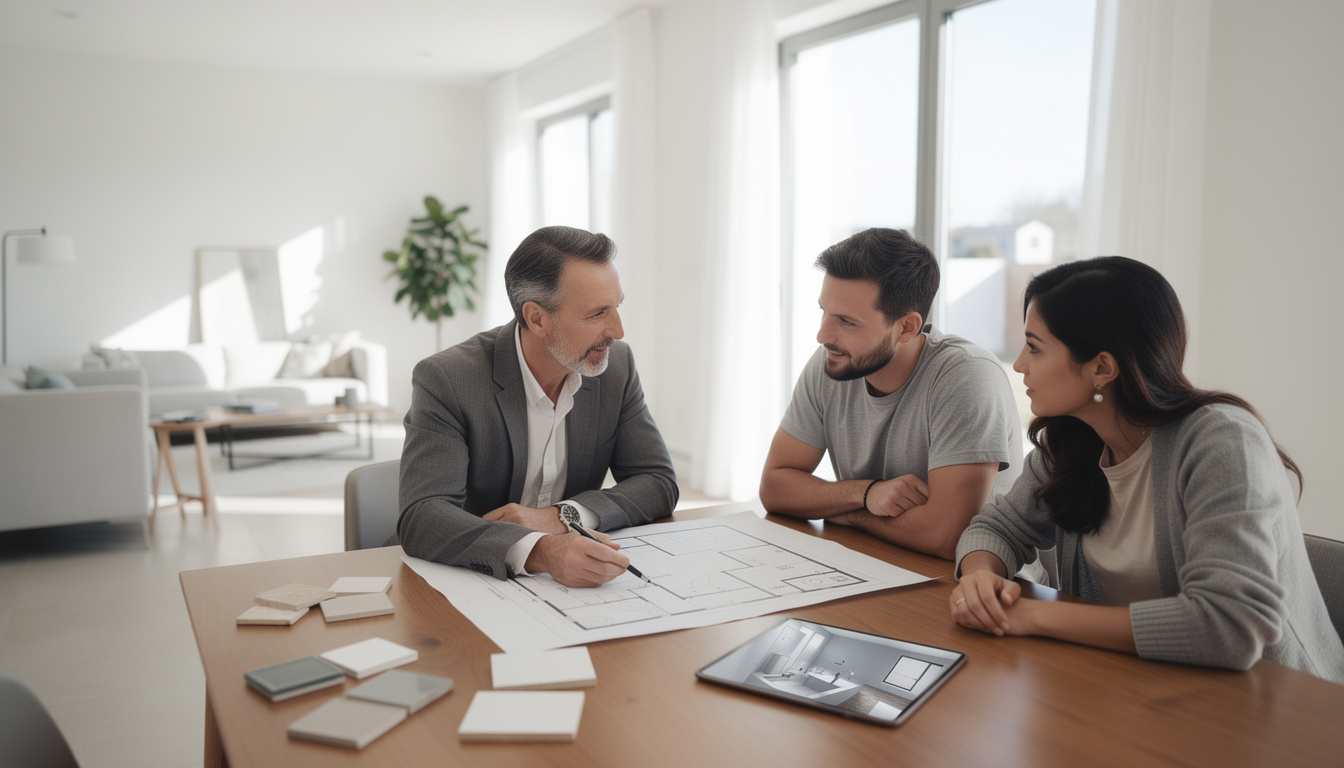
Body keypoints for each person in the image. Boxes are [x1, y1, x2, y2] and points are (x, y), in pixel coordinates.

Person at [952, 256, 1344, 681]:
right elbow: (996, 528)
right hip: (1142, 685)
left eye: (1035, 347)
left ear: (1102, 368)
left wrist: (1031, 617)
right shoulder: (1070, 442)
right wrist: (978, 578)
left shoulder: (1221, 442)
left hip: (1275, 706)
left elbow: (1229, 625)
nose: (1020, 366)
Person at [397, 225, 678, 588]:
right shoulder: (448, 379)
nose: (618, 330)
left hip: (565, 593)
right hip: (465, 579)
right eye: (597, 314)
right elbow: (423, 516)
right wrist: (540, 551)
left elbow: (657, 482)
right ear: (537, 318)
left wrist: (561, 517)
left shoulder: (615, 366)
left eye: (617, 307)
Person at [759, 228, 1023, 559]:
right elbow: (774, 487)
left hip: (980, 587)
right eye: (824, 312)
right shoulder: (834, 360)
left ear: (907, 327)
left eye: (846, 321)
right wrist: (866, 494)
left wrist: (845, 511)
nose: (822, 335)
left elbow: (946, 537)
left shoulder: (967, 376)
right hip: (876, 560)